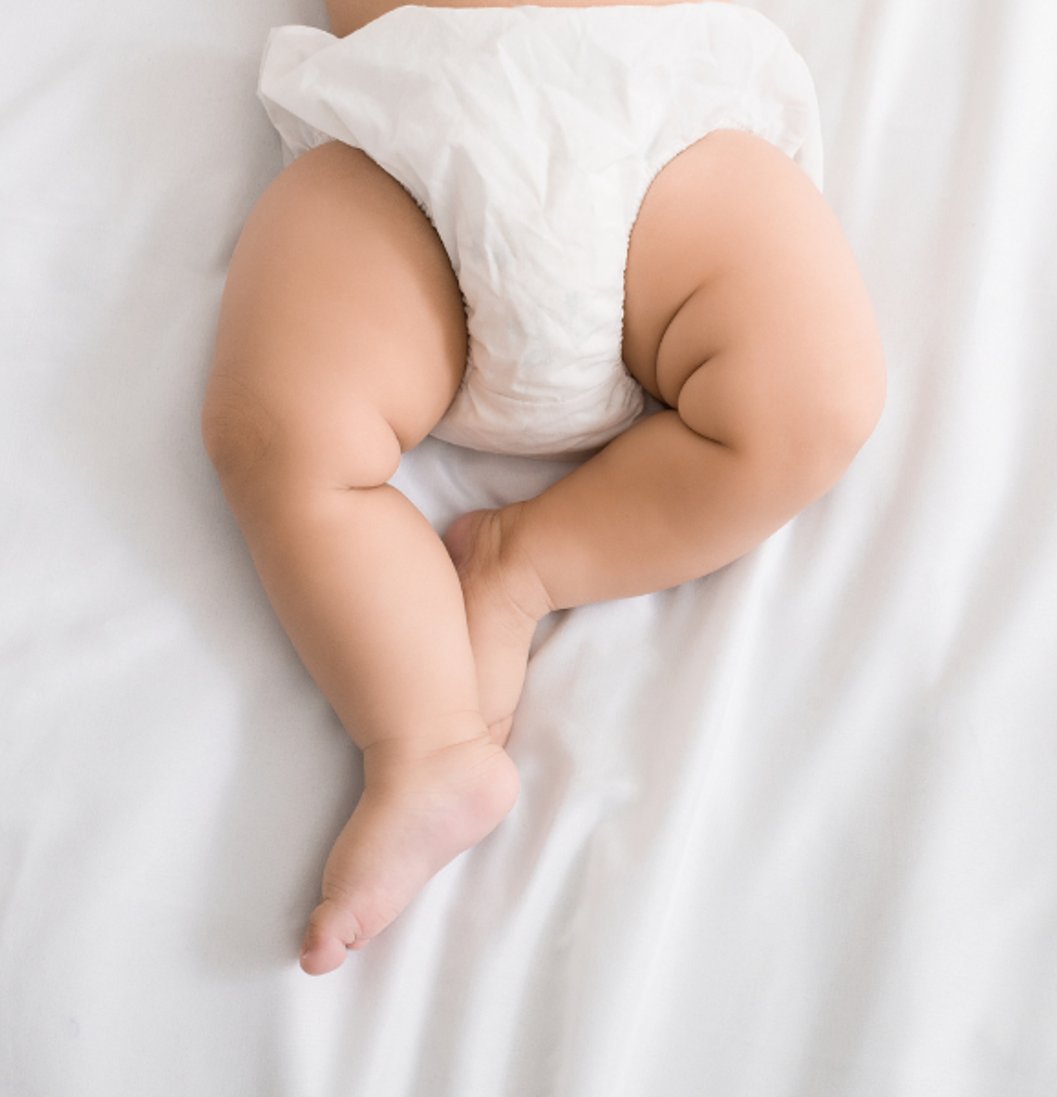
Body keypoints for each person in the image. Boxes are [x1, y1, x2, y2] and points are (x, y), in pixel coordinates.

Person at [200, 0, 886, 976]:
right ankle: (427, 740)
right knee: (277, 428)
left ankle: (525, 560)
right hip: (408, 138)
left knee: (815, 398)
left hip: (661, 120)